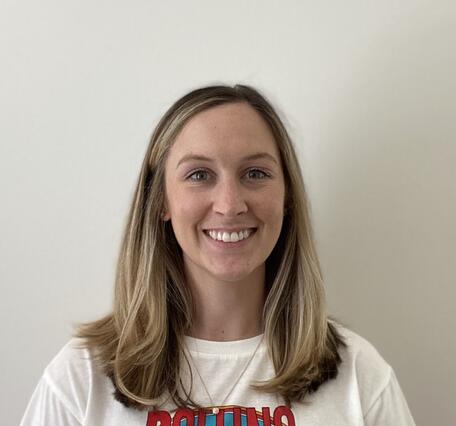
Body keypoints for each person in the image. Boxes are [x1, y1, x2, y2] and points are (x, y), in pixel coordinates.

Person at [20, 84, 416, 425]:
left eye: (255, 173)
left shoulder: (358, 376)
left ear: (287, 197)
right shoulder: (83, 377)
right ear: (161, 201)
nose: (230, 204)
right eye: (199, 175)